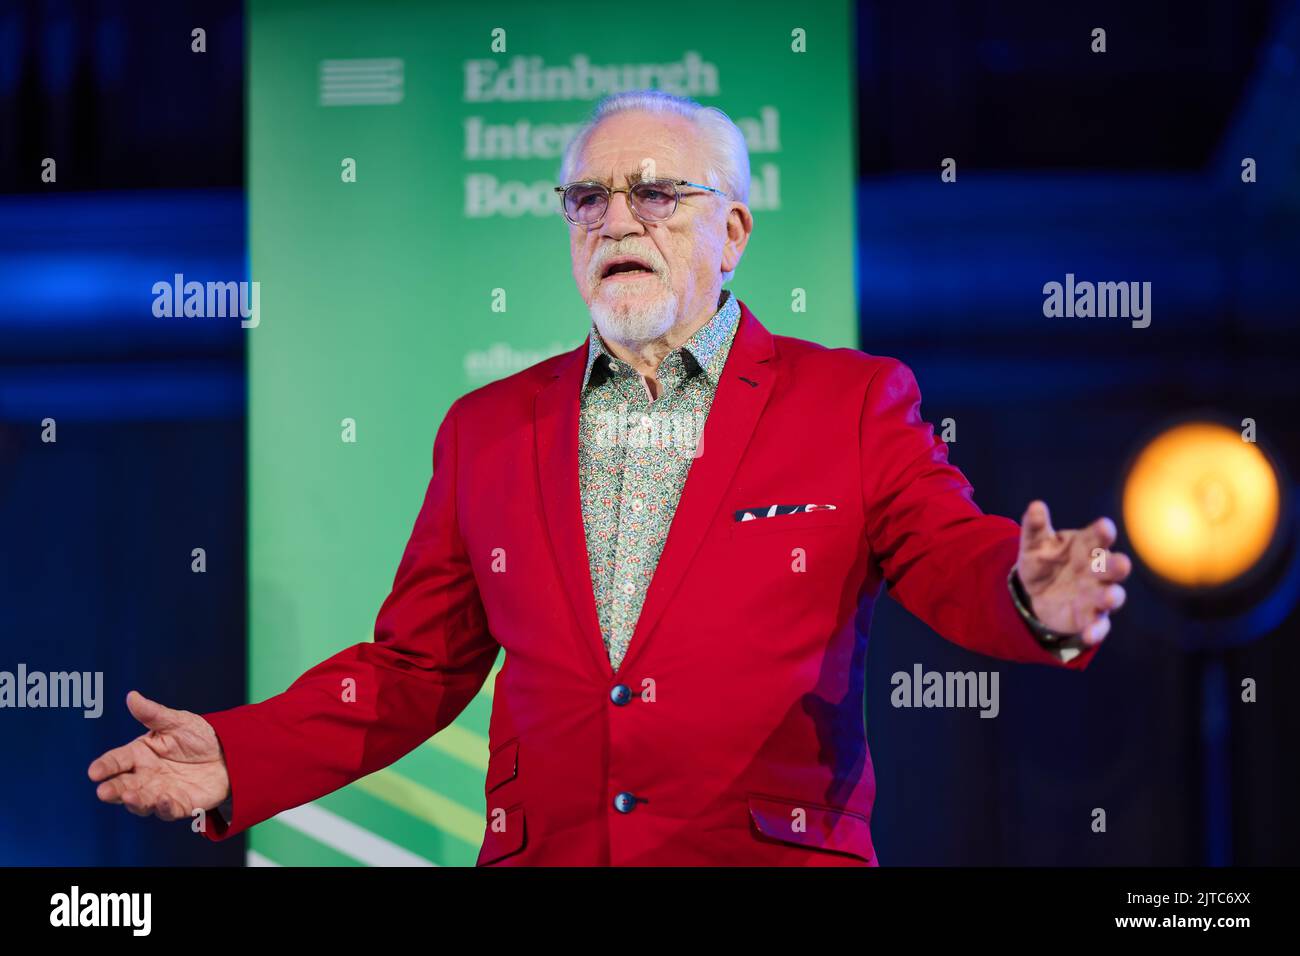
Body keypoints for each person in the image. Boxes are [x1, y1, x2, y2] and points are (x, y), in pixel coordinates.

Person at [89, 90, 1130, 865]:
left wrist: (1025, 592)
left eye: (657, 192)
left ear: (732, 233)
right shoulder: (487, 428)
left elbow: (948, 553)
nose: (616, 219)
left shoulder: (849, 401)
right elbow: (414, 666)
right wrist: (241, 751)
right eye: (586, 197)